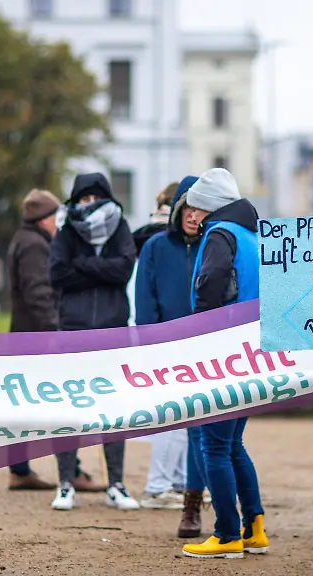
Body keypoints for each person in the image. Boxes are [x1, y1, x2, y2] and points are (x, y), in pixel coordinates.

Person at [181, 168, 268, 559]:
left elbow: (211, 280)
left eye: (198, 208)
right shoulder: (252, 235)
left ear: (211, 207)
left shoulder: (221, 234)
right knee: (233, 443)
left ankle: (227, 533)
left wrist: (202, 328)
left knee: (212, 444)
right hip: (252, 349)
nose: (194, 216)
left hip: (220, 348)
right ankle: (254, 527)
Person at [48, 172, 140, 511]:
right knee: (68, 408)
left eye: (95, 197)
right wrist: (101, 266)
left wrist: (83, 266)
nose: (89, 204)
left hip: (112, 329)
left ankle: (115, 484)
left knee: (114, 409)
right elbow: (56, 273)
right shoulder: (66, 229)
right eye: (83, 198)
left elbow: (124, 270)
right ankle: (65, 483)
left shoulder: (120, 226)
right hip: (72, 329)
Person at [134, 177, 204, 518]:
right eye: (187, 207)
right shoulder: (156, 247)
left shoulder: (214, 244)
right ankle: (157, 486)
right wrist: (152, 343)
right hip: (166, 347)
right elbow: (144, 297)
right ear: (177, 209)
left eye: (200, 208)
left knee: (198, 421)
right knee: (172, 420)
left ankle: (181, 483)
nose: (193, 216)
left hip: (206, 348)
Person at [4, 189, 62, 492]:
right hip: (35, 337)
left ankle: (20, 467)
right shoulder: (34, 246)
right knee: (47, 402)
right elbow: (38, 292)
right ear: (44, 219)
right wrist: (54, 331)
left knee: (24, 404)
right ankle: (61, 468)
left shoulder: (26, 240)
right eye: (55, 217)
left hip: (26, 335)